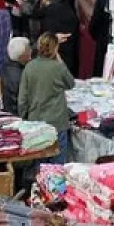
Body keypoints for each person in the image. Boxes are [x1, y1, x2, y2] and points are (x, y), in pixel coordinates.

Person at [19, 34, 75, 163]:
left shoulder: (30, 67)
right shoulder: (58, 68)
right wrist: (59, 59)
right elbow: (71, 83)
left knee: (39, 161)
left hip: (36, 121)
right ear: (55, 49)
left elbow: (22, 99)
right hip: (57, 122)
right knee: (57, 164)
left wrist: (24, 118)